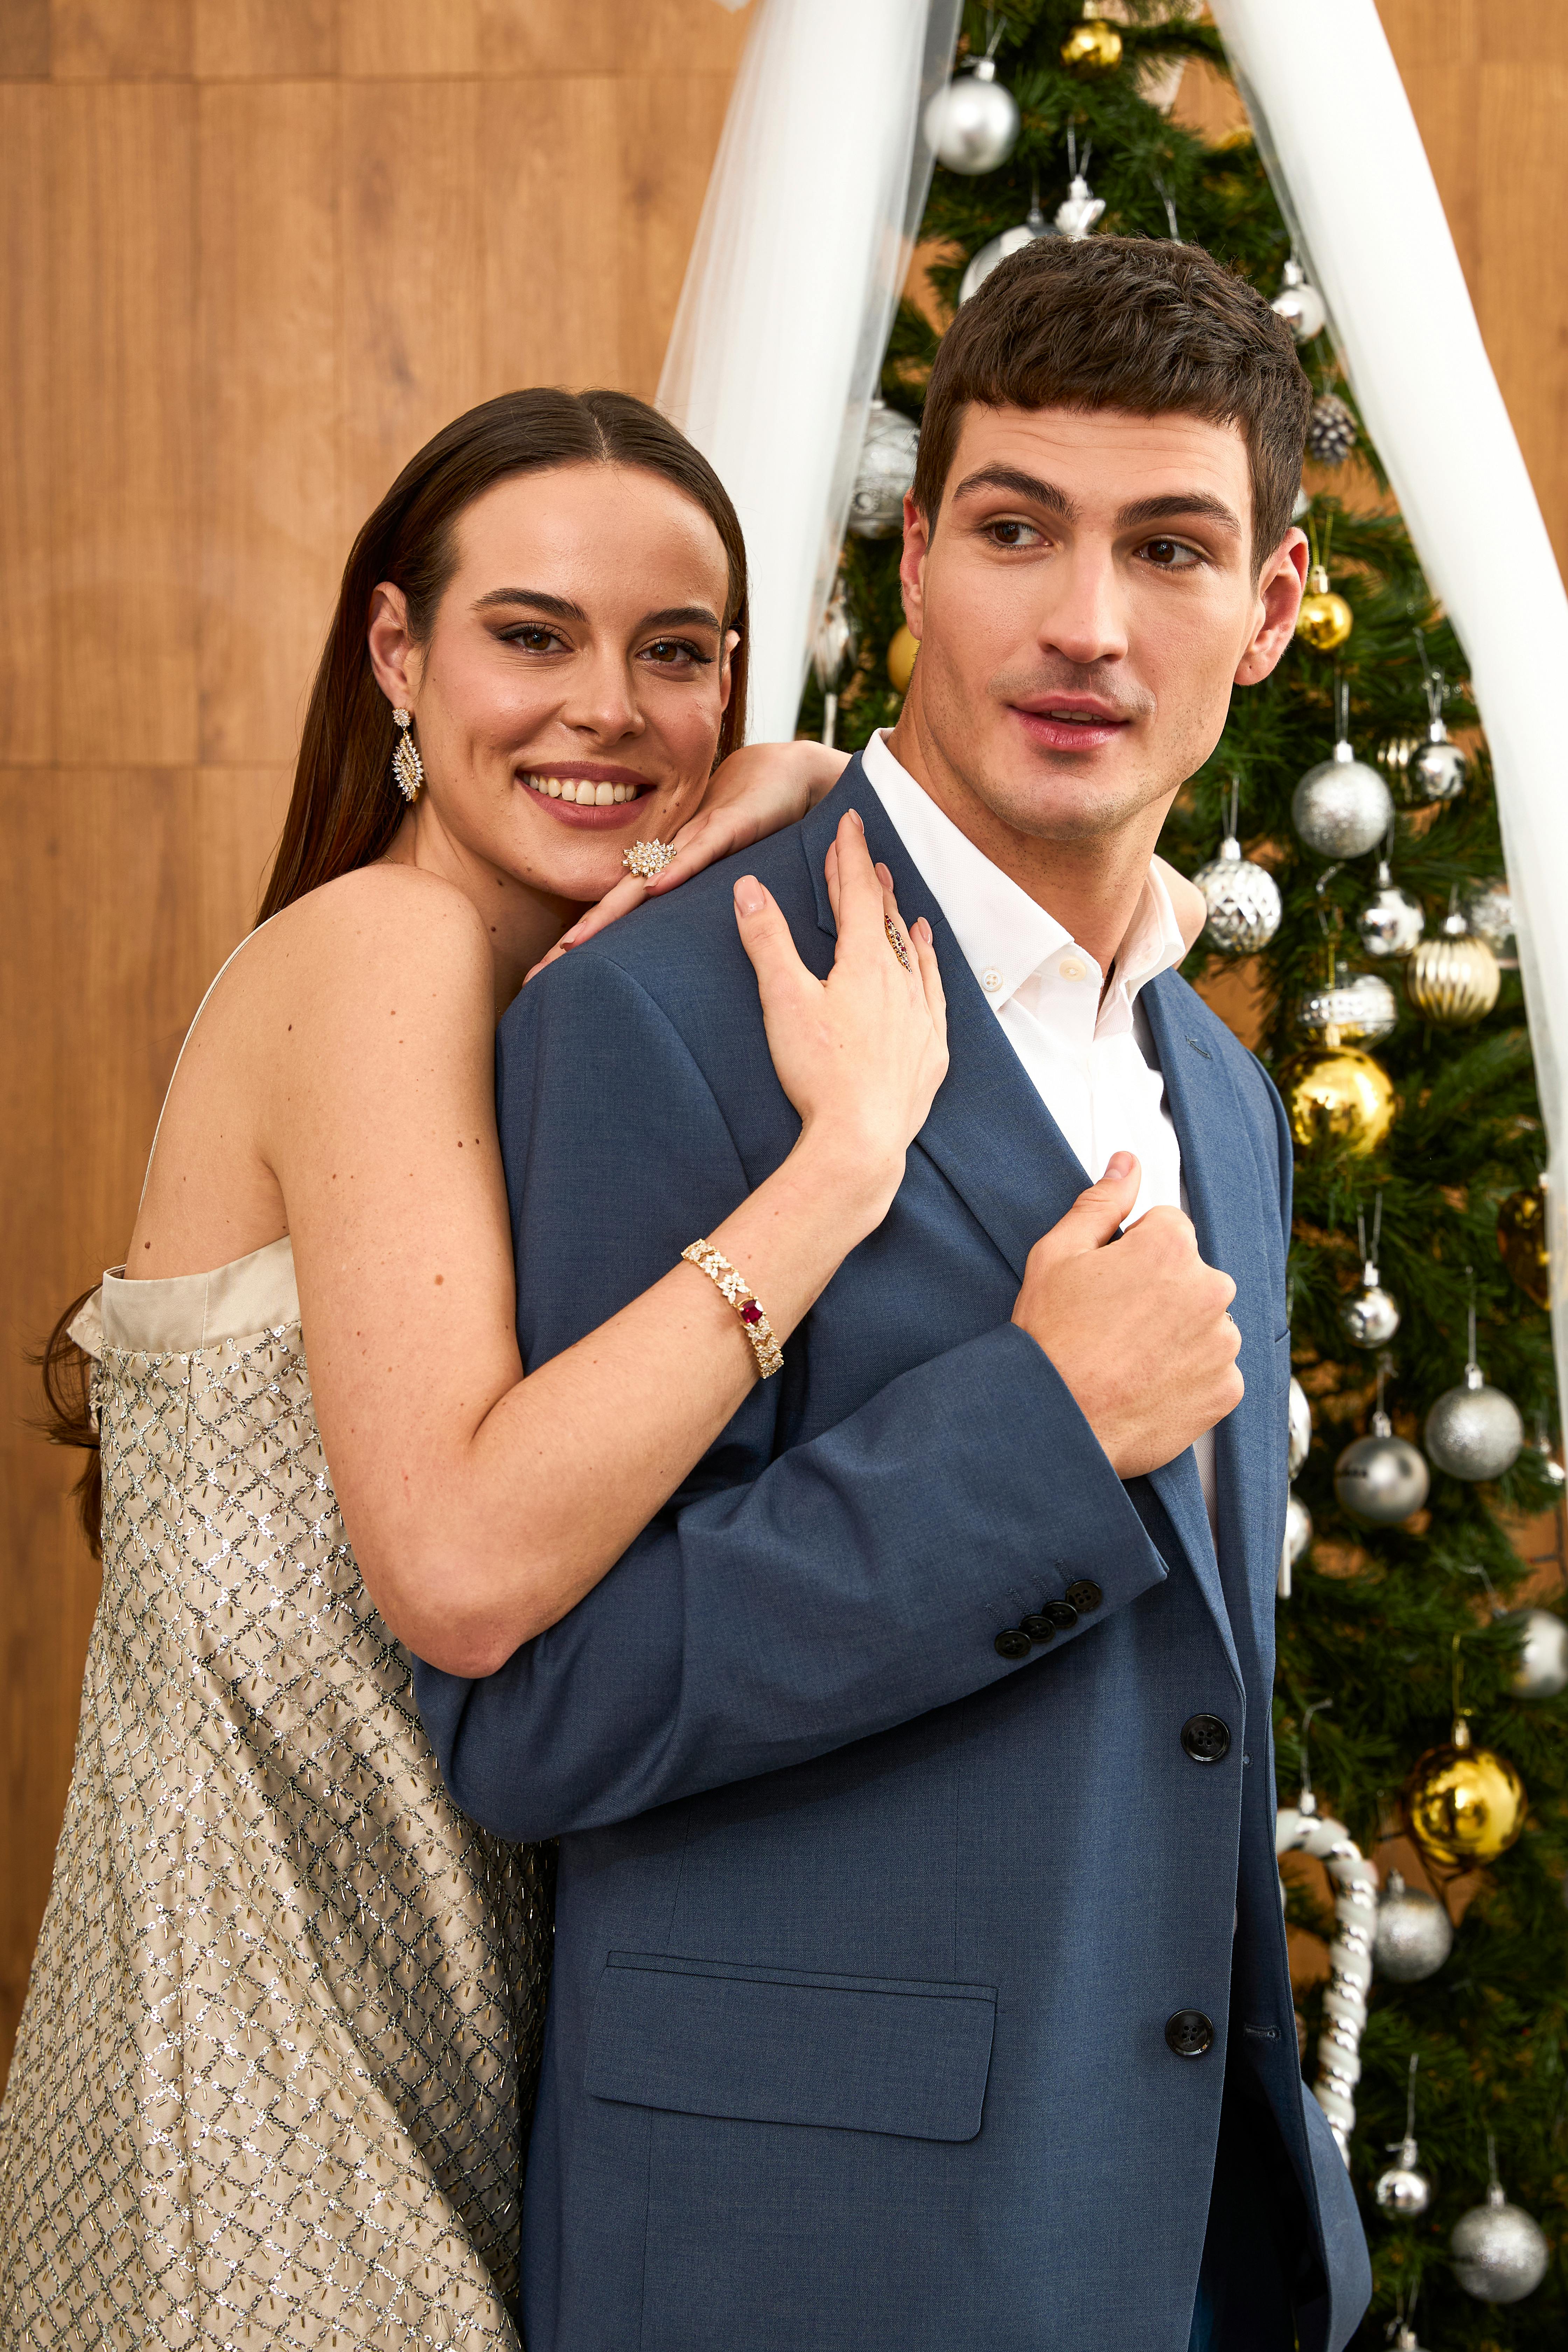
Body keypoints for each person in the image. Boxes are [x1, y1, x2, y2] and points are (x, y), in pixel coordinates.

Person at [415, 240, 1374, 2352]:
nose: (1086, 623)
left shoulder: (1223, 1094)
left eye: (1172, 549)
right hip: (793, 2258)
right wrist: (1037, 1435)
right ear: (918, 556)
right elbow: (534, 1709)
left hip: (1164, 2255)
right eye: (1019, 530)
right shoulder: (663, 1012)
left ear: (1273, 609)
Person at [0, 388, 949, 2348]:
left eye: (674, 654)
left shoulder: (568, 1000)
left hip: (450, 2041)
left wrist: (808, 788)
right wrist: (843, 1169)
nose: (608, 708)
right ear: (397, 653)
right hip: (251, 2077)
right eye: (533, 635)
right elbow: (455, 1565)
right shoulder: (379, 949)